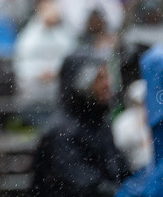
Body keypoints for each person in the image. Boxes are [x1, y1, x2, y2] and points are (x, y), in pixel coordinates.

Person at [30, 52, 130, 196]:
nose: (107, 84)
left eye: (107, 76)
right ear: (80, 85)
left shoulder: (99, 122)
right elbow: (84, 185)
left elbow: (120, 169)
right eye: (99, 78)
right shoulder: (60, 132)